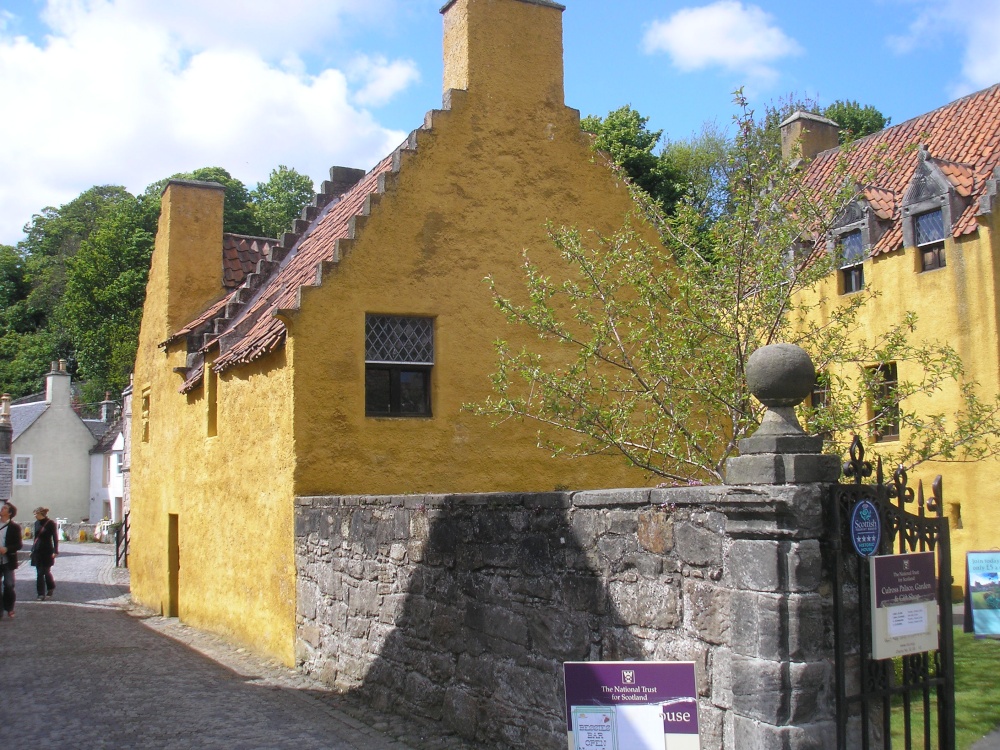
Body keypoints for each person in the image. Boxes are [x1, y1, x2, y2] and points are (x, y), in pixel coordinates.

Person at [0, 502, 23, 619]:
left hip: (8, 560)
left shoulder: (14, 527)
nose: (1, 509)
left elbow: (19, 545)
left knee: (9, 585)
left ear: (9, 513)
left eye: (4, 508)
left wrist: (7, 549)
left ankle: (9, 608)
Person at [31, 507, 58, 600]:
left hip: (47, 551)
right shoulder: (36, 523)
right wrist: (32, 550)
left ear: (41, 513)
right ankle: (41, 594)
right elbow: (35, 538)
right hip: (37, 551)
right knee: (39, 573)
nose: (34, 516)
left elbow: (55, 537)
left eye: (36, 514)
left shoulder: (50, 524)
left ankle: (50, 587)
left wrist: (55, 551)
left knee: (45, 571)